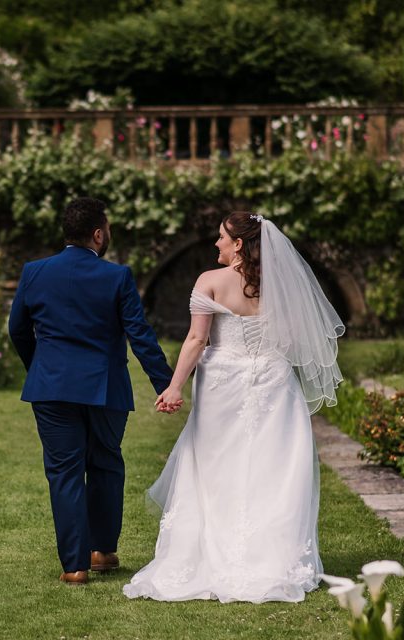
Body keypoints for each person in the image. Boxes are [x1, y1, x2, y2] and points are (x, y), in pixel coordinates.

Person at [123, 211, 344, 603]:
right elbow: (293, 338)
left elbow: (195, 339)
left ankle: (210, 557)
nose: (216, 243)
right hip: (275, 384)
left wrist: (174, 387)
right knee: (270, 470)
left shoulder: (210, 281)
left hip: (223, 385)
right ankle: (271, 560)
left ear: (238, 244)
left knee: (214, 467)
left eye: (221, 237)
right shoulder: (281, 285)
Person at [8, 197, 177, 586]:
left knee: (64, 472)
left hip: (51, 389)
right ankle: (102, 550)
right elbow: (140, 334)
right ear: (98, 234)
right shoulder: (116, 276)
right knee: (105, 464)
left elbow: (18, 329)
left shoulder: (34, 272)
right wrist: (165, 384)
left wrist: (40, 368)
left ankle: (75, 566)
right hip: (104, 389)